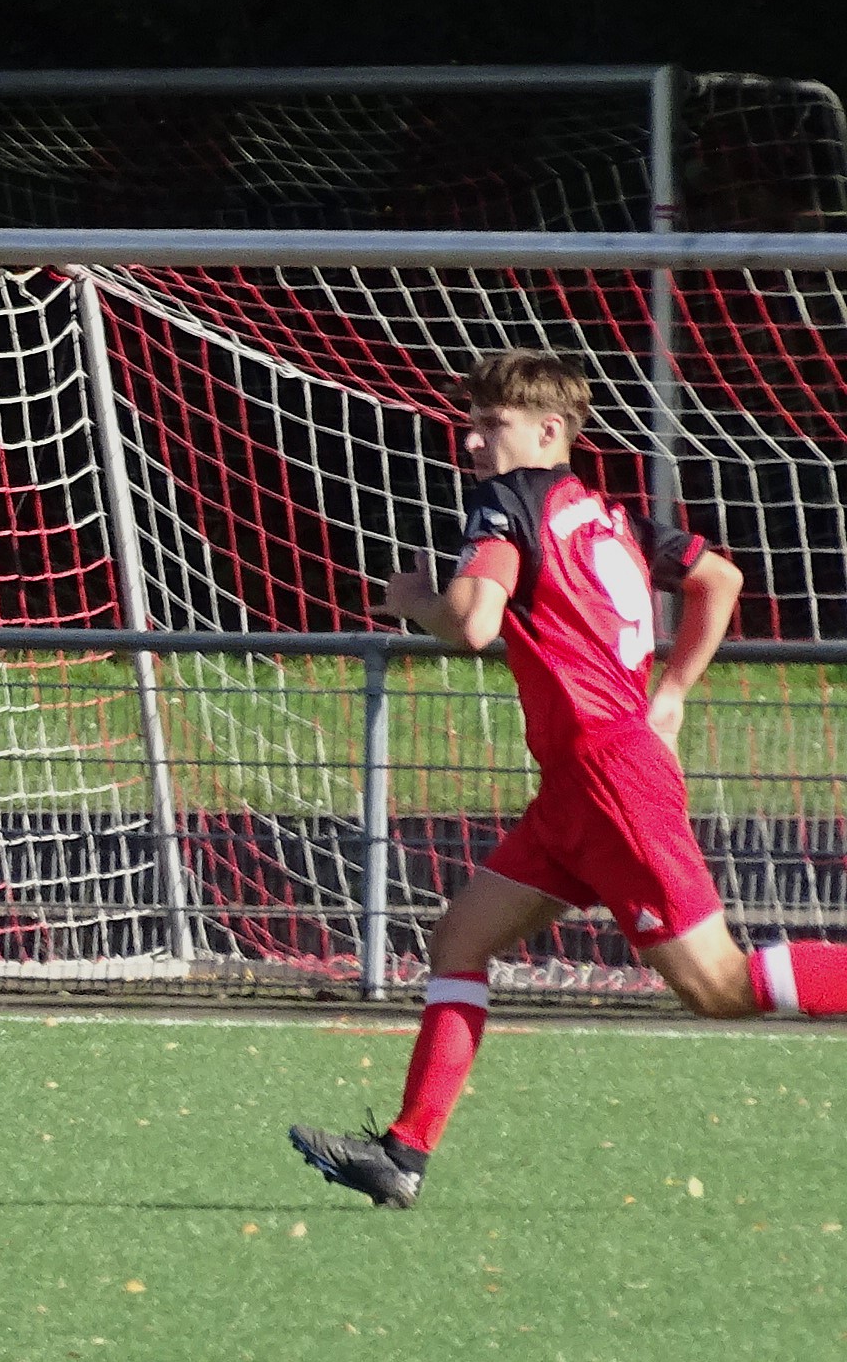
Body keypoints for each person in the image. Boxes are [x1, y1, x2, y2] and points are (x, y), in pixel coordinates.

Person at [291, 351, 847, 1208]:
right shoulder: (612, 517)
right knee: (460, 937)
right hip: (580, 782)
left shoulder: (510, 501)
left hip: (607, 778)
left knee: (719, 986)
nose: (474, 443)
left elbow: (474, 622)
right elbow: (720, 577)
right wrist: (670, 695)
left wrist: (413, 599)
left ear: (550, 430)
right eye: (472, 424)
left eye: (492, 424)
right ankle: (403, 1153)